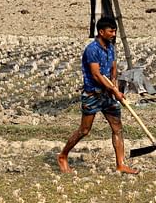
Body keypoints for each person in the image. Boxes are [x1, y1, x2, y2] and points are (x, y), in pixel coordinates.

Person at [57, 16, 139, 174]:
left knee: (117, 128)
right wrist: (115, 91)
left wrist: (115, 87)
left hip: (108, 95)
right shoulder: (92, 50)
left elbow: (113, 71)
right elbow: (97, 75)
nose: (114, 34)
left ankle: (120, 164)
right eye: (111, 31)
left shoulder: (111, 48)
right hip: (92, 94)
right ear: (101, 32)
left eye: (115, 31)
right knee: (84, 130)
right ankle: (63, 155)